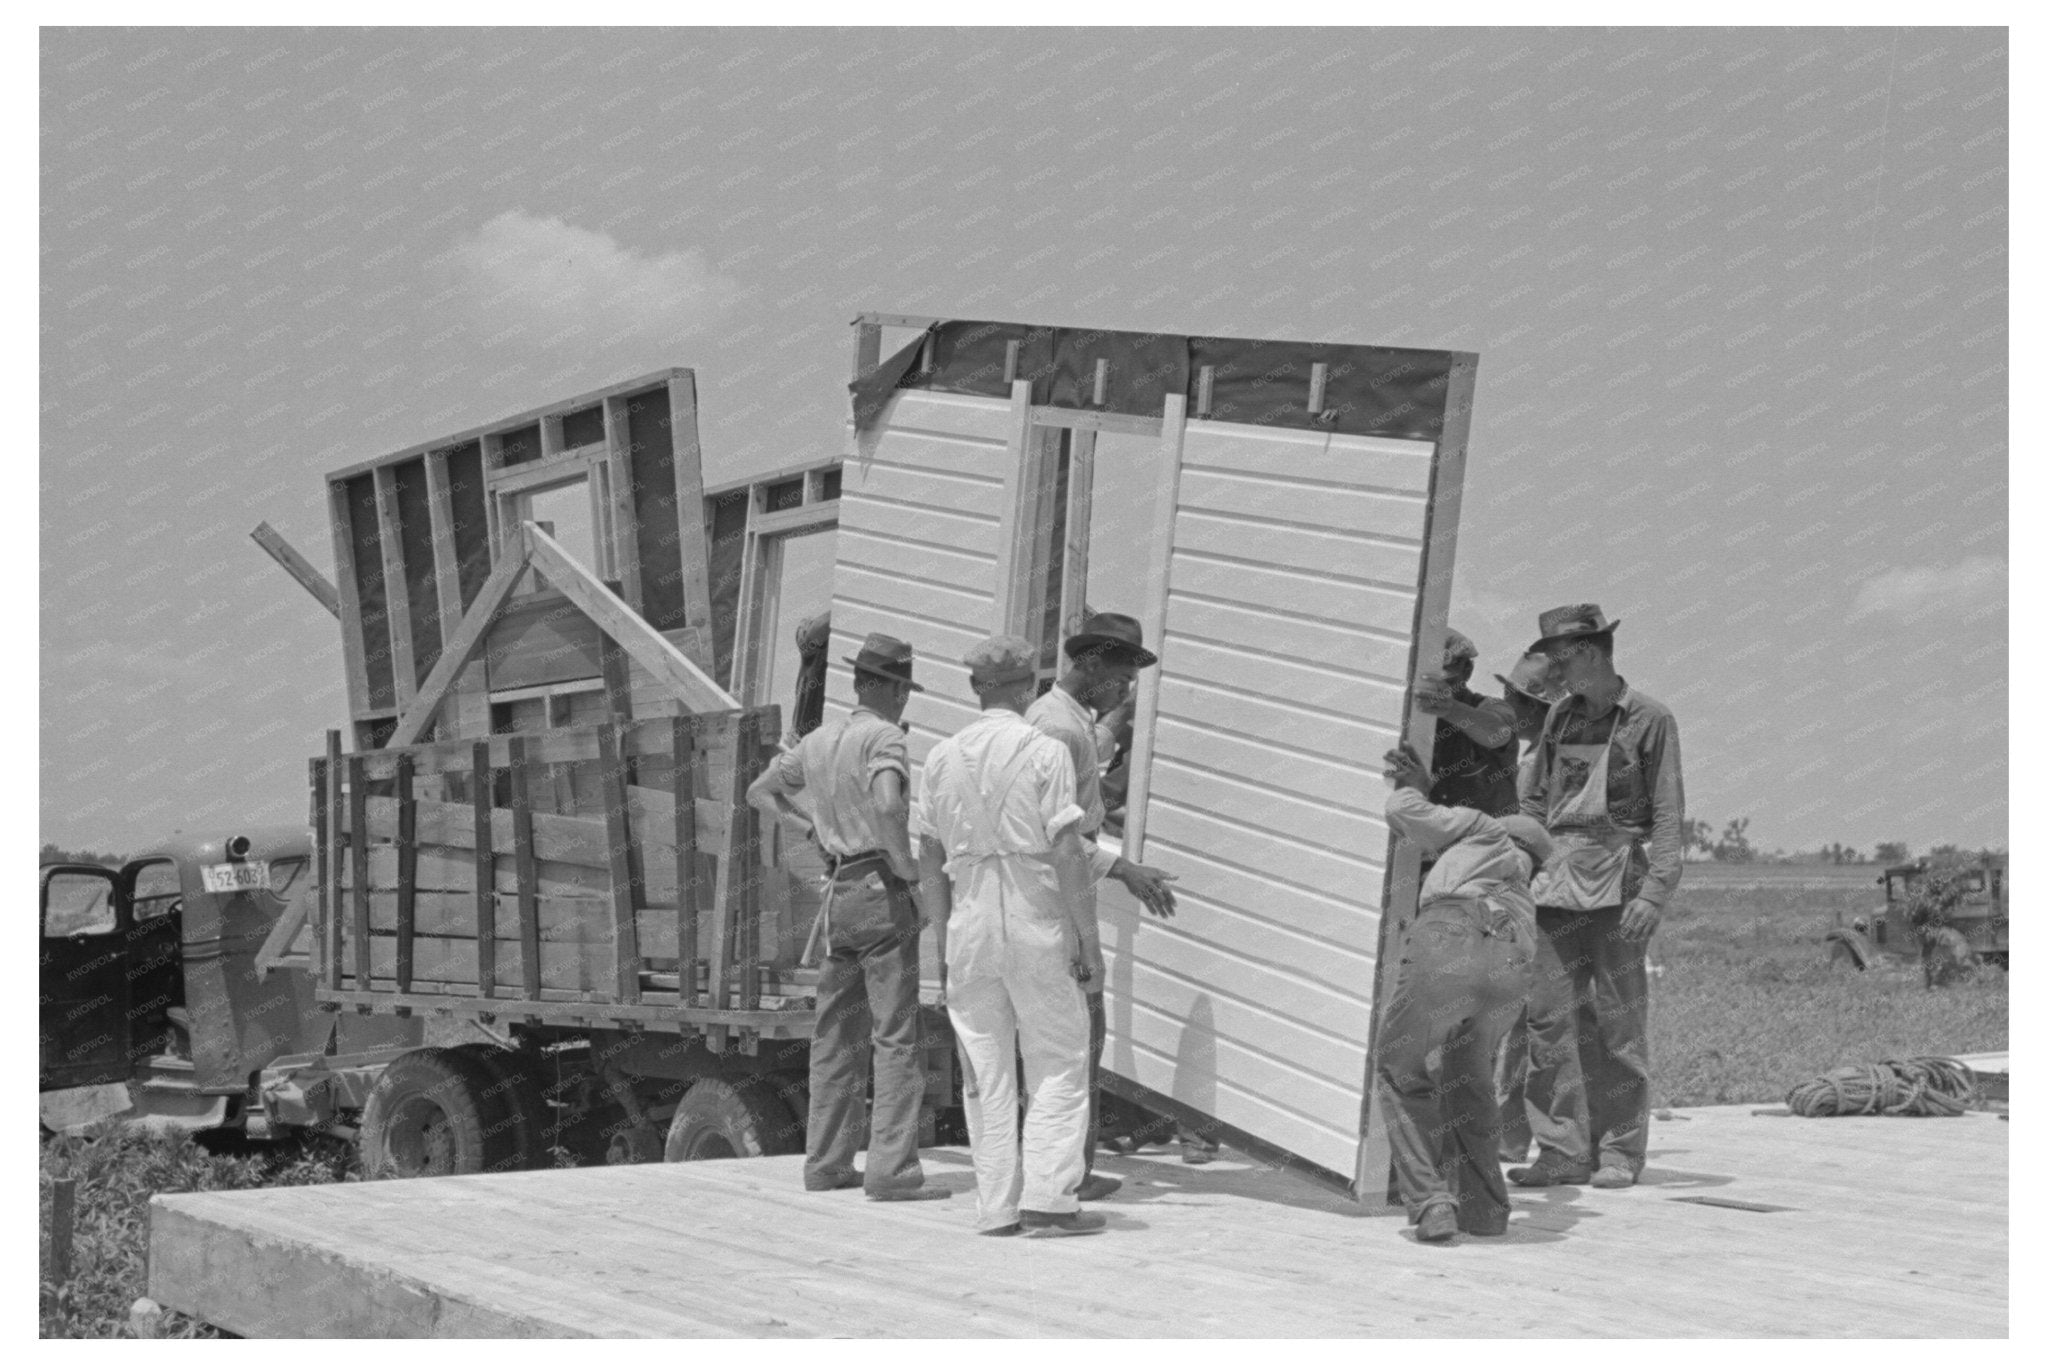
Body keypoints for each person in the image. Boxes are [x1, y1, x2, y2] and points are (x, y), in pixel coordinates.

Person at [745, 633, 946, 1202]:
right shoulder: (882, 736)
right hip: (881, 887)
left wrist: (810, 827)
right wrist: (906, 868)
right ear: (887, 688)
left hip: (839, 898)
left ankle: (827, 1164)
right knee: (896, 1037)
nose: (904, 700)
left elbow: (759, 793)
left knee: (835, 1036)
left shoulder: (817, 742)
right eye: (903, 688)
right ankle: (891, 1171)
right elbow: (888, 804)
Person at [914, 635, 1104, 1237]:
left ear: (975, 688)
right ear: (1028, 688)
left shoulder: (939, 759)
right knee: (1057, 1058)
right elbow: (1069, 851)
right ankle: (1049, 1197)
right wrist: (1088, 939)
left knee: (984, 1068)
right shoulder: (1044, 751)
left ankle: (995, 1207)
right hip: (1035, 914)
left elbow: (927, 855)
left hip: (968, 918)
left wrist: (942, 945)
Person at [1511, 605, 1684, 1192]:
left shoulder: (1649, 719)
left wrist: (1654, 894)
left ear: (1587, 652)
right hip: (1554, 884)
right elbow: (1535, 804)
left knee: (1618, 1025)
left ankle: (1618, 1152)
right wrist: (1521, 866)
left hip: (1620, 888)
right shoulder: (1559, 720)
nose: (1550, 673)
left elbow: (1666, 814)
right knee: (1549, 1022)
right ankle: (1561, 1150)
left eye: (1557, 659)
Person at [1025, 611, 1179, 1202]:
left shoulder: (1069, 722)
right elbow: (1055, 836)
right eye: (1120, 674)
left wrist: (1117, 718)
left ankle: (1064, 1171)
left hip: (1056, 899)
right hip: (1058, 901)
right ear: (1089, 663)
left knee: (1071, 1041)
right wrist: (1125, 869)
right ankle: (1066, 1178)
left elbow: (1093, 750)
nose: (1128, 686)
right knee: (1077, 1040)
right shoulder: (1058, 731)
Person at [1377, 740, 1552, 1242]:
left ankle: (1431, 1200)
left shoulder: (1483, 829)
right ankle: (1485, 1211)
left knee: (1401, 1068)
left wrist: (1418, 788)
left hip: (1450, 936)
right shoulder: (1524, 893)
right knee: (1470, 1079)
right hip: (1510, 960)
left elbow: (1402, 809)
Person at [1490, 651, 1566, 1166]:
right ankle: (1512, 1134)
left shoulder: (1542, 761)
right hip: (1526, 895)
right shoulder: (1530, 757)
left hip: (1537, 898)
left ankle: (1515, 1136)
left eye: (1516, 700)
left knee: (1526, 1023)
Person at [1415, 627, 1519, 817]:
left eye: (1447, 679)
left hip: (1490, 839)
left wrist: (1450, 709)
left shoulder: (1491, 706)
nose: (1439, 688)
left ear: (1467, 671)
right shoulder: (1415, 717)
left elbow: (1496, 733)